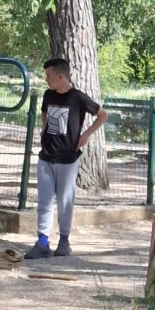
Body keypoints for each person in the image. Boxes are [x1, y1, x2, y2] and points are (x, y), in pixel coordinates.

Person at [24, 57, 107, 259]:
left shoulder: (78, 98)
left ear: (61, 76)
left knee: (65, 201)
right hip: (46, 156)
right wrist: (44, 128)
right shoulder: (48, 95)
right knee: (44, 201)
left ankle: (64, 240)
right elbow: (44, 113)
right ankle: (42, 242)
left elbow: (102, 115)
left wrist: (86, 135)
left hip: (68, 158)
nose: (46, 80)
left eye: (49, 76)